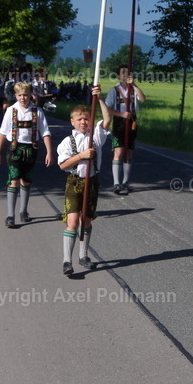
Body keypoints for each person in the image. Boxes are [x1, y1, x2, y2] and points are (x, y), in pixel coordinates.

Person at [57, 87, 112, 278]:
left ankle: (83, 255)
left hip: (92, 181)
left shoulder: (96, 136)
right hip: (74, 182)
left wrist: (100, 99)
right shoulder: (66, 142)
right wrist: (81, 156)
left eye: (86, 118)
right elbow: (63, 165)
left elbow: (107, 120)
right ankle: (67, 260)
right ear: (72, 121)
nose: (83, 122)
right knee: (72, 221)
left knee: (86, 219)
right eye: (79, 119)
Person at [0, 82, 53, 228]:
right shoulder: (11, 110)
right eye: (20, 95)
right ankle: (10, 215)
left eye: (25, 95)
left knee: (26, 180)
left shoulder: (37, 111)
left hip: (31, 149)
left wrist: (49, 151)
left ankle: (23, 211)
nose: (23, 98)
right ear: (15, 96)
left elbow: (45, 132)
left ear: (30, 95)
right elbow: (3, 132)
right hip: (14, 149)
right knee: (13, 179)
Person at [105, 66, 146, 194]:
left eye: (127, 73)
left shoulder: (134, 89)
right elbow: (107, 108)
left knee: (129, 152)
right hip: (119, 122)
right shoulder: (114, 90)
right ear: (118, 76)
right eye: (122, 73)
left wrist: (134, 84)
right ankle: (116, 183)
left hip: (132, 121)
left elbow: (143, 99)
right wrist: (121, 115)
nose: (125, 75)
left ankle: (126, 182)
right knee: (118, 151)